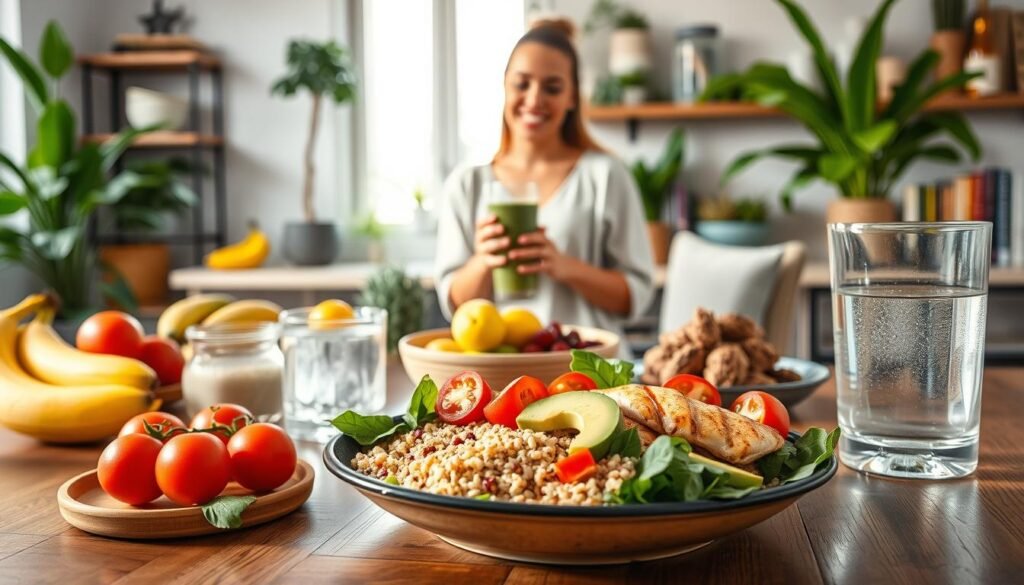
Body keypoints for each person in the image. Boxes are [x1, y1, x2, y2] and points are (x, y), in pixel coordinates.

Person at [434, 18, 655, 357]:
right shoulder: (467, 185)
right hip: (503, 376)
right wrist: (483, 261)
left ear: (571, 98)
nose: (534, 99)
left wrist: (564, 266)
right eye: (522, 84)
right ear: (505, 87)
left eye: (552, 88)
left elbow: (636, 296)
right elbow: (458, 308)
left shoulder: (605, 176)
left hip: (590, 369)